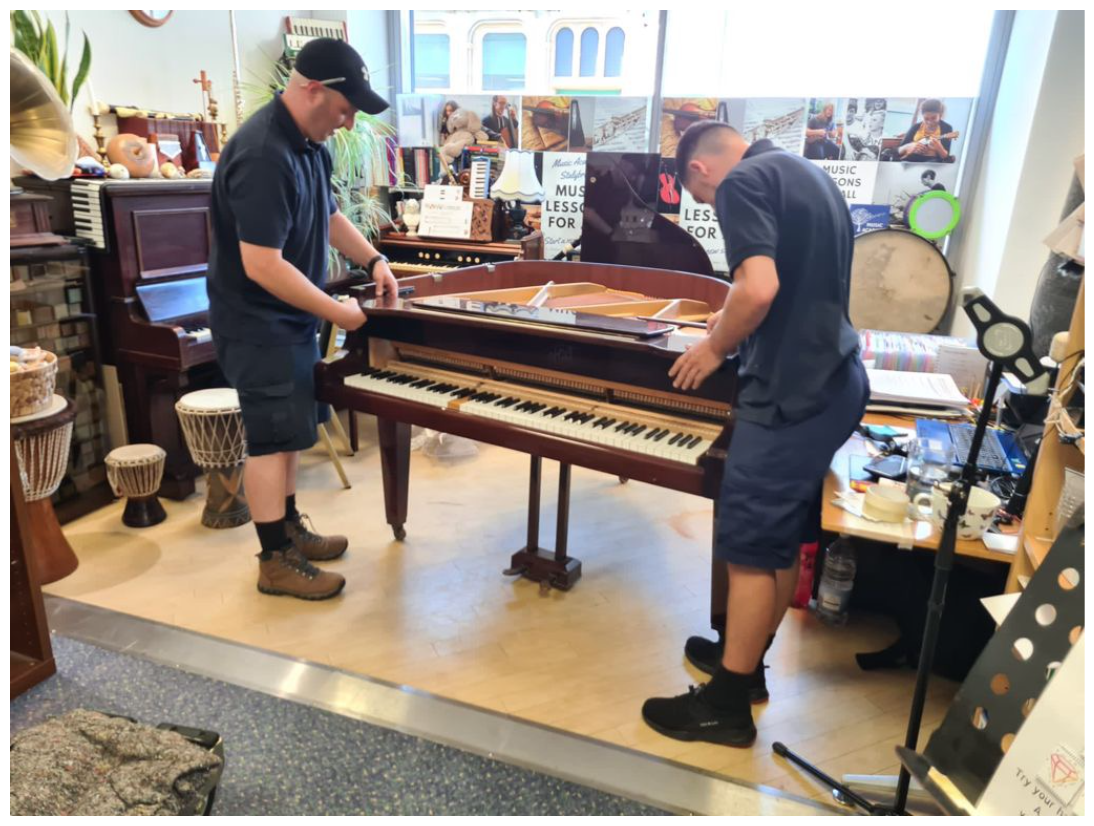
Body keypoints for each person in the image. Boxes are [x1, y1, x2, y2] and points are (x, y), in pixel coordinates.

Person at [640, 121, 869, 747]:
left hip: (793, 393)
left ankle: (726, 706)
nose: (712, 208)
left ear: (700, 171)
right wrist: (736, 313)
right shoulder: (806, 173)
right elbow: (792, 284)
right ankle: (744, 667)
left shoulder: (740, 183)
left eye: (701, 201)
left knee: (747, 544)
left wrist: (716, 345)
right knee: (772, 542)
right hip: (833, 379)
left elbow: (760, 286)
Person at [207, 38, 397, 600]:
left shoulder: (310, 142)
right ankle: (274, 562)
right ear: (312, 88)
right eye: (345, 109)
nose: (349, 121)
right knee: (269, 442)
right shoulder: (264, 153)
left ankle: (287, 531)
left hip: (289, 322)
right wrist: (339, 309)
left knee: (290, 434)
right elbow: (262, 265)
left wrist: (374, 258)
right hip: (258, 324)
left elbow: (331, 212)